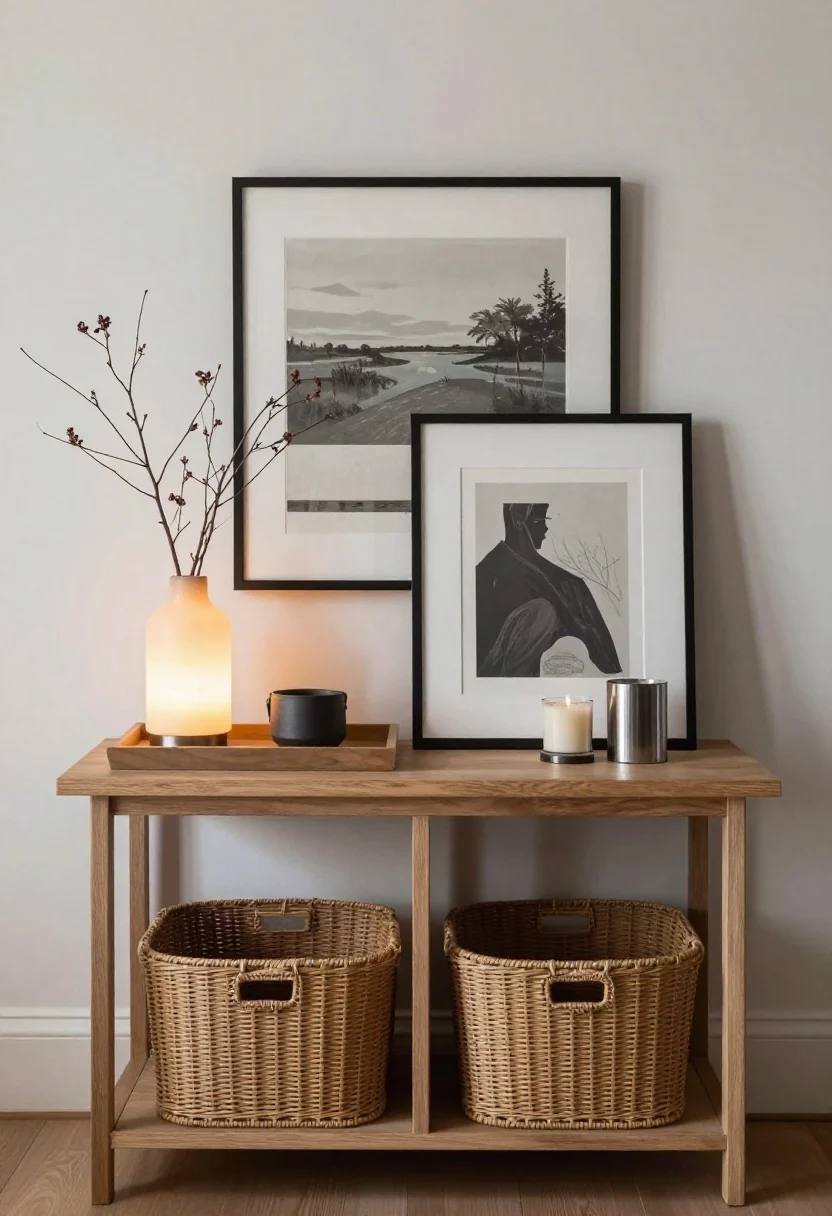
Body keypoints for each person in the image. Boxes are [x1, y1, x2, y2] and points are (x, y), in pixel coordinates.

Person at [476, 502, 622, 677]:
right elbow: (608, 665)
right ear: (519, 519)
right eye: (540, 520)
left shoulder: (480, 574)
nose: (545, 529)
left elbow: (609, 670)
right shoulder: (568, 586)